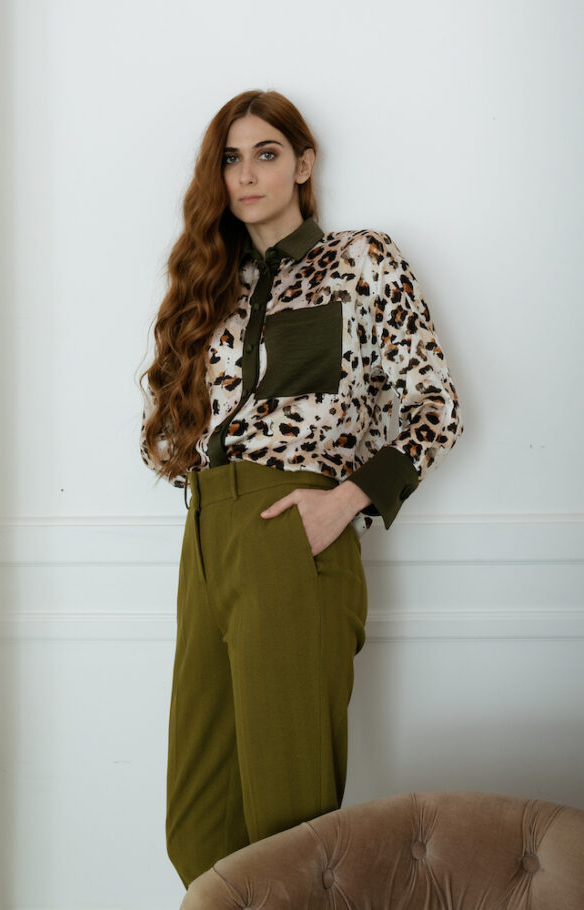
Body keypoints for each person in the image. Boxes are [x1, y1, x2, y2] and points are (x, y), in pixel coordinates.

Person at [138, 88, 463, 889]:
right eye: (231, 159)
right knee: (196, 828)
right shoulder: (212, 285)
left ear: (304, 164)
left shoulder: (363, 260)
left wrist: (345, 500)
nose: (247, 174)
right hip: (206, 537)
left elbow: (437, 405)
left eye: (267, 153)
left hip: (293, 531)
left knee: (289, 826)